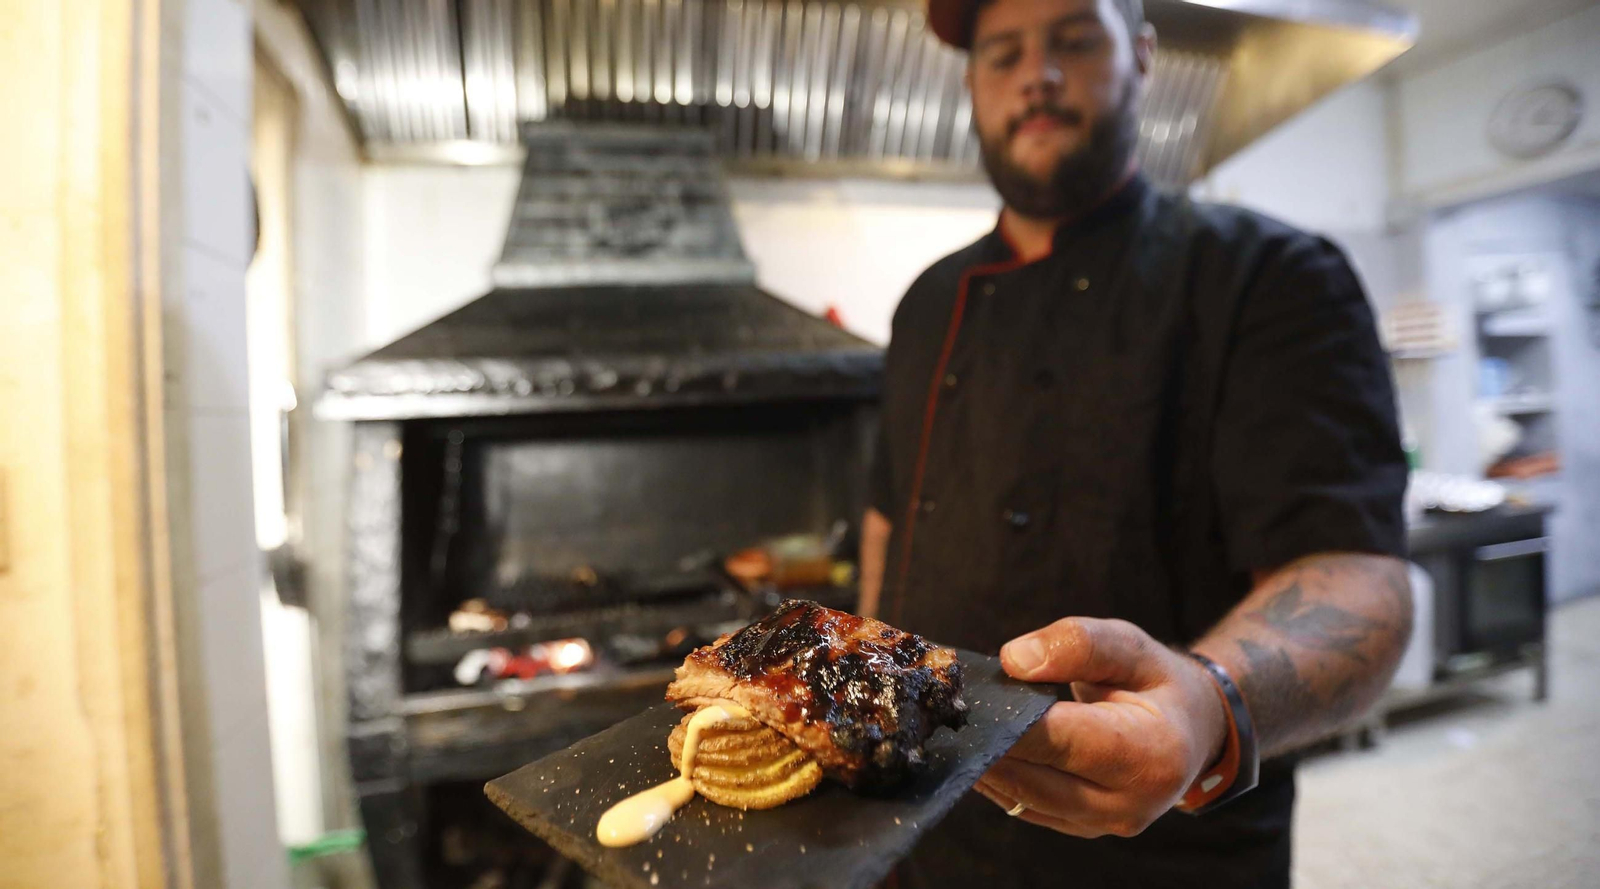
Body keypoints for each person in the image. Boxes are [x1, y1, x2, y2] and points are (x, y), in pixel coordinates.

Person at [856, 0, 1413, 885]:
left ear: (1143, 56)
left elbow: (1359, 577)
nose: (1037, 75)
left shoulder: (1269, 275)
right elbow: (889, 519)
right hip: (927, 834)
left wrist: (1208, 704)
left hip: (1163, 849)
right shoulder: (928, 301)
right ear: (971, 85)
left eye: (1074, 40)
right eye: (1002, 54)